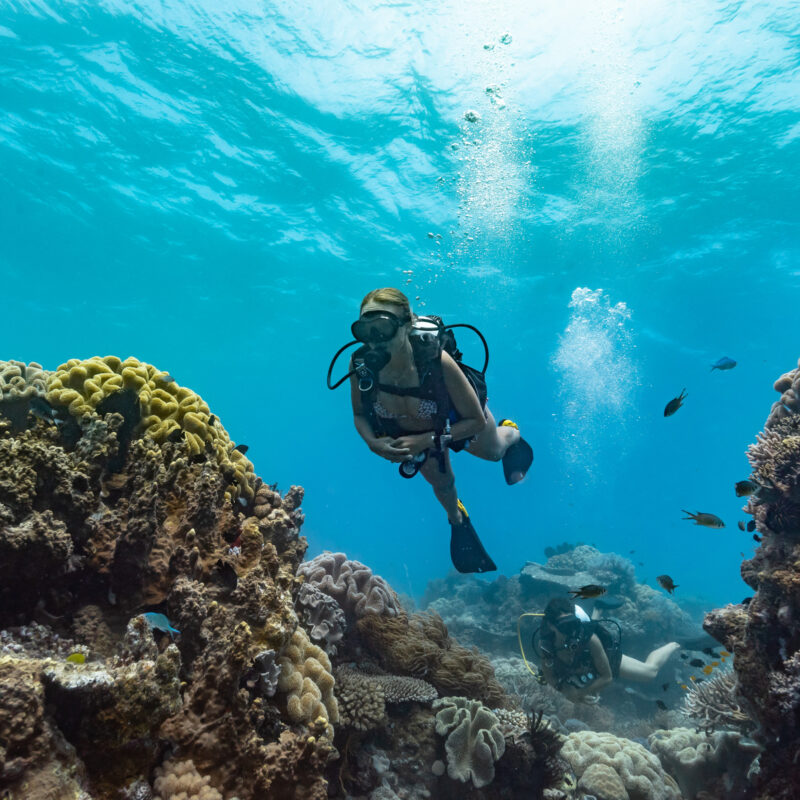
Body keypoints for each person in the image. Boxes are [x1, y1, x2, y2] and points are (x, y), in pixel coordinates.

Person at [345, 287, 533, 573]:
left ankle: (511, 431)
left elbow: (475, 420)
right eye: (365, 329)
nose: (374, 341)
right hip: (414, 435)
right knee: (442, 485)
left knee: (494, 452)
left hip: (455, 418)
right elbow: (359, 413)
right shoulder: (361, 365)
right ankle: (458, 521)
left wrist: (427, 439)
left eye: (382, 327)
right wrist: (373, 442)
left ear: (407, 324)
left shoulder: (435, 359)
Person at [538, 596, 680, 704]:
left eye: (573, 625)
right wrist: (566, 691)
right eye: (564, 626)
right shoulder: (547, 646)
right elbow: (550, 677)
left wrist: (580, 693)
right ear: (551, 626)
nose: (570, 632)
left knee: (650, 672)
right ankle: (597, 609)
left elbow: (607, 677)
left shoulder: (590, 638)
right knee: (590, 624)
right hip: (582, 664)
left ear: (577, 621)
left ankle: (676, 643)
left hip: (599, 655)